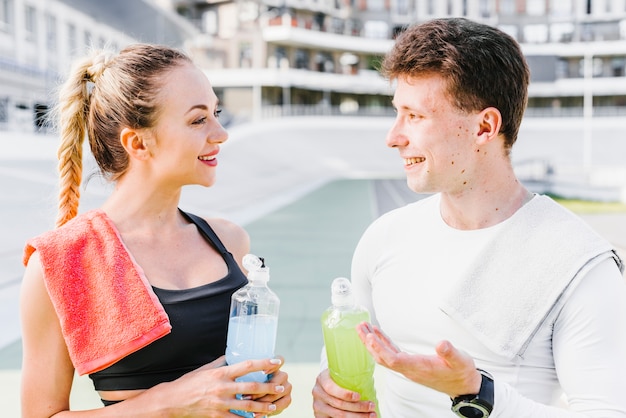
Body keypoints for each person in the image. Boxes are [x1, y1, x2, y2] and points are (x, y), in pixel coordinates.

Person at [312, 17, 626, 417]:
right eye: (397, 113)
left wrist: (478, 392)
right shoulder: (384, 238)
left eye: (415, 116)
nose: (393, 136)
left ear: (484, 127)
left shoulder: (580, 264)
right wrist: (329, 388)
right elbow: (343, 349)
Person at [20, 43, 292, 417]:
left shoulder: (230, 241)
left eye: (217, 113)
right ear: (138, 142)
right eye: (198, 120)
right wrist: (171, 403)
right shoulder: (59, 264)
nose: (221, 133)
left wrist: (262, 389)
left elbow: (233, 383)